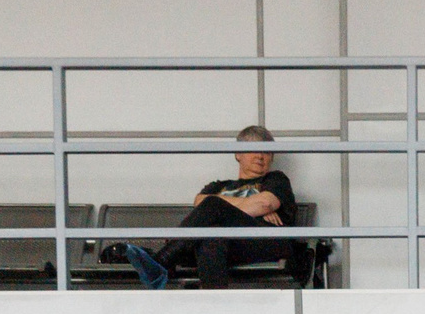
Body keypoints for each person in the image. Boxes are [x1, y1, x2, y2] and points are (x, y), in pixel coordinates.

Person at [125, 124, 301, 290]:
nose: (261, 156)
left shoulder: (275, 179)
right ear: (238, 154)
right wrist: (252, 209)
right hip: (232, 244)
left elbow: (265, 203)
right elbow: (199, 204)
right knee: (212, 237)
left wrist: (223, 206)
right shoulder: (219, 186)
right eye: (254, 149)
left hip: (266, 241)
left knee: (213, 206)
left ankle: (162, 261)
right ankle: (215, 303)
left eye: (267, 152)